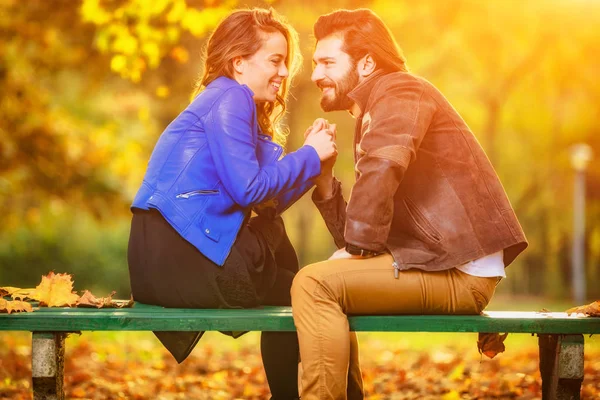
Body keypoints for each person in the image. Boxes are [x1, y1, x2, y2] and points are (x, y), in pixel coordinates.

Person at [291, 9, 528, 400]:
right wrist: (323, 179)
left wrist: (355, 250)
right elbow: (358, 236)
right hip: (436, 263)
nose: (316, 74)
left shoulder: (400, 91)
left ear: (367, 63)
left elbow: (381, 171)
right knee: (325, 282)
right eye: (316, 63)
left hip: (458, 272)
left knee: (314, 284)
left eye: (327, 62)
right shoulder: (380, 106)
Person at [127, 8, 336, 400]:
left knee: (294, 285)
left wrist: (313, 166)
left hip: (158, 262)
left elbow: (264, 200)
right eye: (275, 60)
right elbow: (249, 191)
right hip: (182, 255)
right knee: (302, 290)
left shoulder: (220, 100)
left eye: (286, 63)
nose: (284, 73)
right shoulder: (232, 96)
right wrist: (308, 154)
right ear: (238, 63)